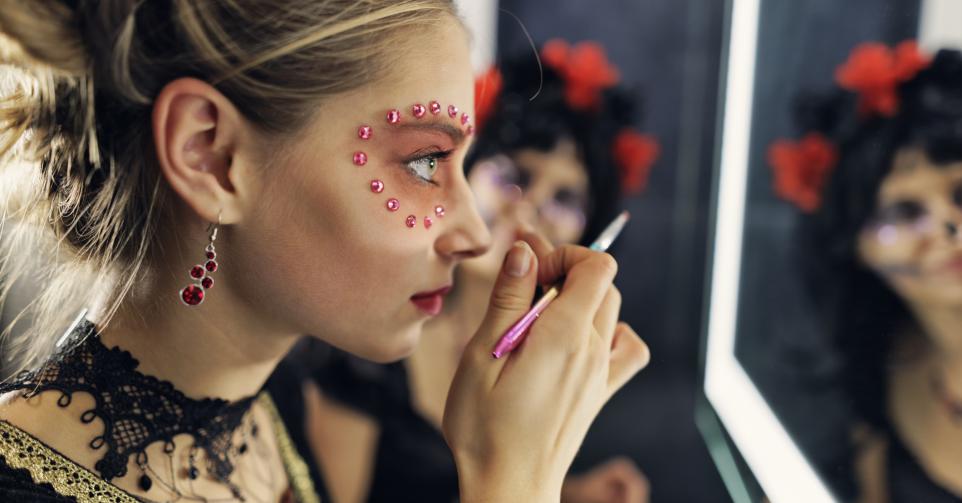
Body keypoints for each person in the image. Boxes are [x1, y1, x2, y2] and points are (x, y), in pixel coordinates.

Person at [0, 1, 650, 501]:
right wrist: (513, 478)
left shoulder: (268, 401)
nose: (475, 233)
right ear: (213, 155)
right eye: (425, 163)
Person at [304, 40, 658, 503]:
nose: (528, 212)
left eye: (565, 199)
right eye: (515, 176)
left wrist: (566, 491)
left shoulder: (552, 363)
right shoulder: (372, 342)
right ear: (462, 172)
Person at [768, 41, 962, 502]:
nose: (949, 229)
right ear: (855, 247)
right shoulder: (882, 368)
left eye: (961, 193)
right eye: (903, 211)